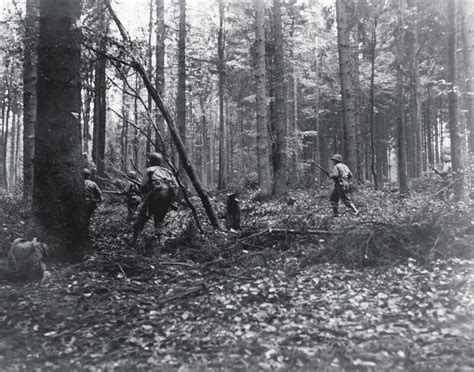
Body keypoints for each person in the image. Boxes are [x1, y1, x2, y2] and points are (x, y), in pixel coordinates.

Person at [129, 152, 178, 246]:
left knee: (141, 218)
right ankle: (161, 243)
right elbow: (176, 186)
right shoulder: (168, 171)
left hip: (155, 196)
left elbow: (143, 187)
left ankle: (133, 240)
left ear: (151, 161)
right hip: (167, 199)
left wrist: (145, 191)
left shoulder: (150, 170)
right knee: (159, 221)